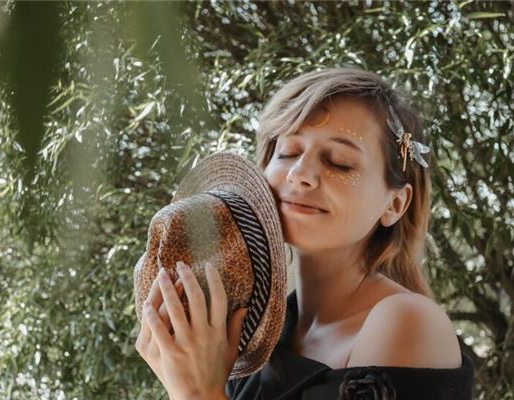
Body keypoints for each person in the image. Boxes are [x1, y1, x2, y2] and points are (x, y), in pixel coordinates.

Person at [135, 67, 474, 400]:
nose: (300, 174)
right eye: (288, 153)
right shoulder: (258, 333)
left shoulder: (406, 321)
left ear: (395, 204)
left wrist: (198, 393)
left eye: (339, 162)